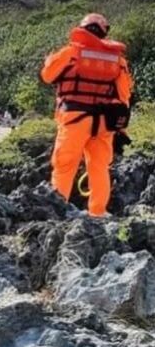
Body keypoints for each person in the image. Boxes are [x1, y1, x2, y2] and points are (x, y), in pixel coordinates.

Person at [40, 13, 133, 217]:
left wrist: (49, 60)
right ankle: (98, 212)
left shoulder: (71, 52)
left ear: (83, 29)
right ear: (103, 32)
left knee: (65, 165)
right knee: (99, 167)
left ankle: (57, 210)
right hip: (104, 123)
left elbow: (47, 76)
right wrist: (120, 128)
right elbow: (124, 96)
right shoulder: (118, 60)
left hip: (74, 119)